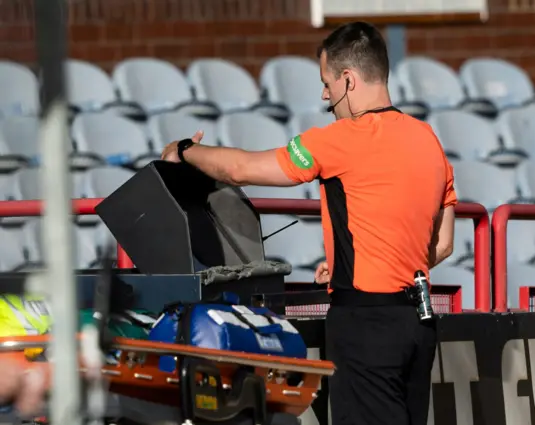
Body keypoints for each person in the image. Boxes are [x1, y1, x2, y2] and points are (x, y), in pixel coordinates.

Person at [163, 20, 457, 425]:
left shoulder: (341, 138)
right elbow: (442, 245)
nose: (325, 94)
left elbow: (239, 168)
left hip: (365, 325)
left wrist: (186, 151)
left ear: (349, 79)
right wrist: (377, 261)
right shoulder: (428, 139)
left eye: (327, 82)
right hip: (417, 324)